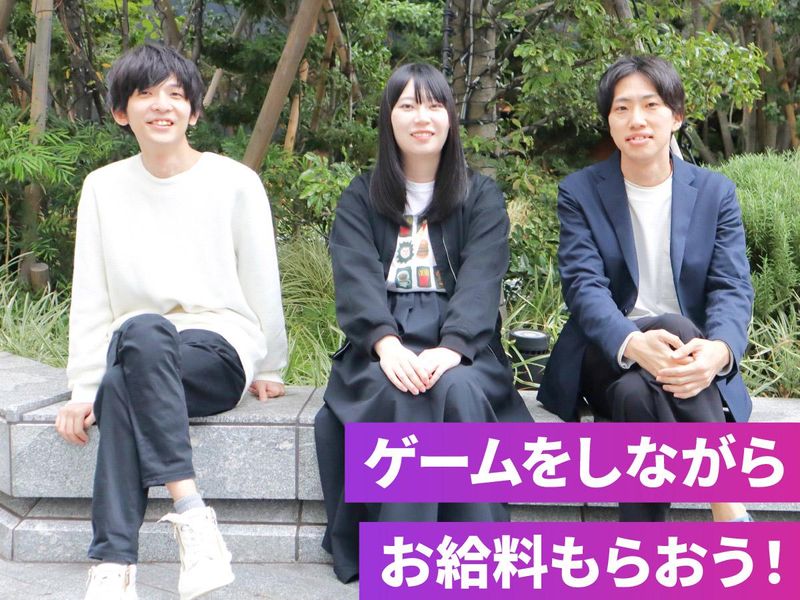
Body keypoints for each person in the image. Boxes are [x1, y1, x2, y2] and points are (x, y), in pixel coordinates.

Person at [55, 43, 288, 600]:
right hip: (139, 346)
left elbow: (261, 278)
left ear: (193, 111)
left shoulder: (234, 182)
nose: (162, 105)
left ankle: (113, 565)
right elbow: (91, 294)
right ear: (121, 112)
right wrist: (83, 388)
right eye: (145, 94)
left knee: (124, 375)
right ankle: (191, 514)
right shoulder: (102, 188)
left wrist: (270, 365)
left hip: (215, 350)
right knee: (139, 338)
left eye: (175, 95)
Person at [314, 62, 533, 583]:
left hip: (462, 344)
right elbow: (355, 278)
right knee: (403, 392)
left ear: (450, 118)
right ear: (389, 118)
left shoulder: (481, 196)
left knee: (454, 389)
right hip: (379, 343)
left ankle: (471, 560)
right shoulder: (360, 196)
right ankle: (410, 566)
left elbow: (482, 279)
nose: (422, 117)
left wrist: (452, 347)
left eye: (434, 105)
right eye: (408, 105)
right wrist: (386, 345)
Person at [538, 55, 754, 523]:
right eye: (622, 108)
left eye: (650, 105)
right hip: (607, 353)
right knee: (676, 328)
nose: (636, 119)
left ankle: (641, 548)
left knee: (636, 397)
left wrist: (720, 351)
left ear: (676, 116)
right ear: (610, 122)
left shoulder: (715, 193)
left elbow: (732, 286)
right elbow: (584, 288)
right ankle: (726, 502)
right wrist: (635, 343)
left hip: (686, 365)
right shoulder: (580, 192)